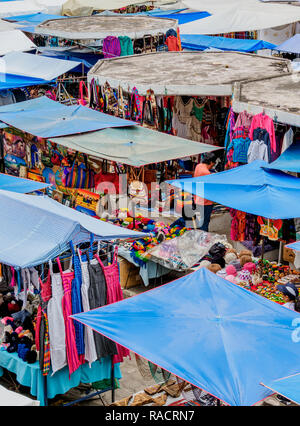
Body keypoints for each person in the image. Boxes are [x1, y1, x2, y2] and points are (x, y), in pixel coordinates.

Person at [193, 152, 216, 232]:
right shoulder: (206, 173)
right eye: (213, 163)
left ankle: (198, 239)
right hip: (205, 202)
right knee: (204, 224)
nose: (213, 165)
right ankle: (202, 241)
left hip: (197, 199)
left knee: (199, 222)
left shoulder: (198, 166)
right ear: (211, 162)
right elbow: (210, 188)